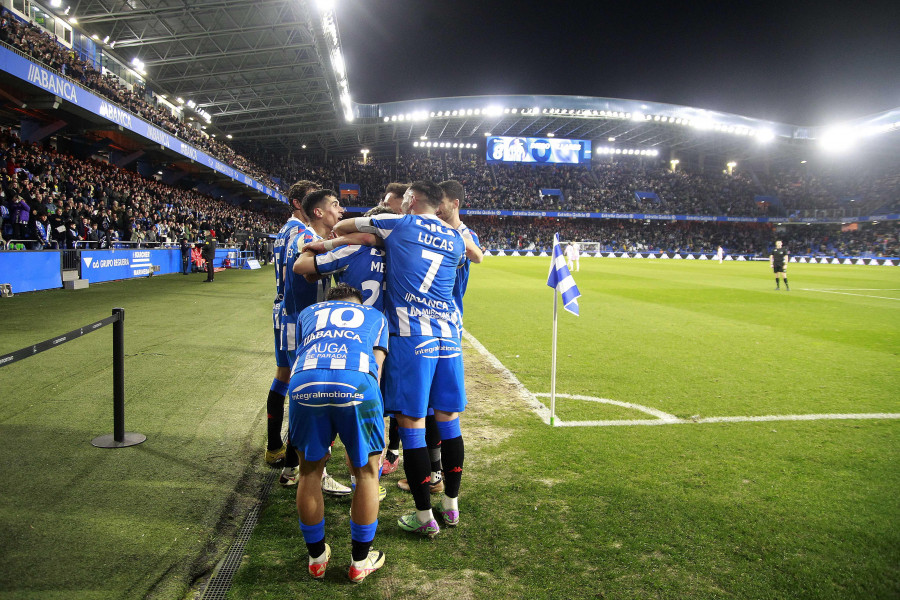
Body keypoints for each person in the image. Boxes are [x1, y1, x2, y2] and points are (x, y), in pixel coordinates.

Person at [315, 180, 469, 537]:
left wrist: (357, 237)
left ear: (412, 200)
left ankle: (423, 516)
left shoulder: (400, 223)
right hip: (449, 337)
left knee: (412, 426)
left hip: (413, 337)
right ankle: (452, 506)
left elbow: (342, 226)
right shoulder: (455, 238)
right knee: (449, 422)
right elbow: (463, 259)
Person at [289, 283, 388, 583]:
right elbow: (377, 367)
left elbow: (301, 353)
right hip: (356, 381)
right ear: (357, 303)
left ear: (328, 302)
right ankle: (359, 562)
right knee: (367, 473)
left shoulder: (309, 313)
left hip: (306, 380)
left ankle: (317, 559)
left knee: (309, 471)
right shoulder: (374, 315)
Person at [279, 188, 350, 494]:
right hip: (302, 326)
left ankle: (292, 467)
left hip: (304, 324)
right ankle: (305, 470)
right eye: (335, 205)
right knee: (308, 398)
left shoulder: (307, 237)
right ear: (319, 212)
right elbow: (307, 272)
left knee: (305, 396)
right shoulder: (306, 240)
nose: (341, 210)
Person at [265, 180, 319, 476]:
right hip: (296, 315)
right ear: (298, 203)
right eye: (312, 199)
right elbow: (300, 275)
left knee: (283, 376)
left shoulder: (285, 230)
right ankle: (292, 462)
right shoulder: (301, 232)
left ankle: (275, 445)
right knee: (300, 383)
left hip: (282, 312)